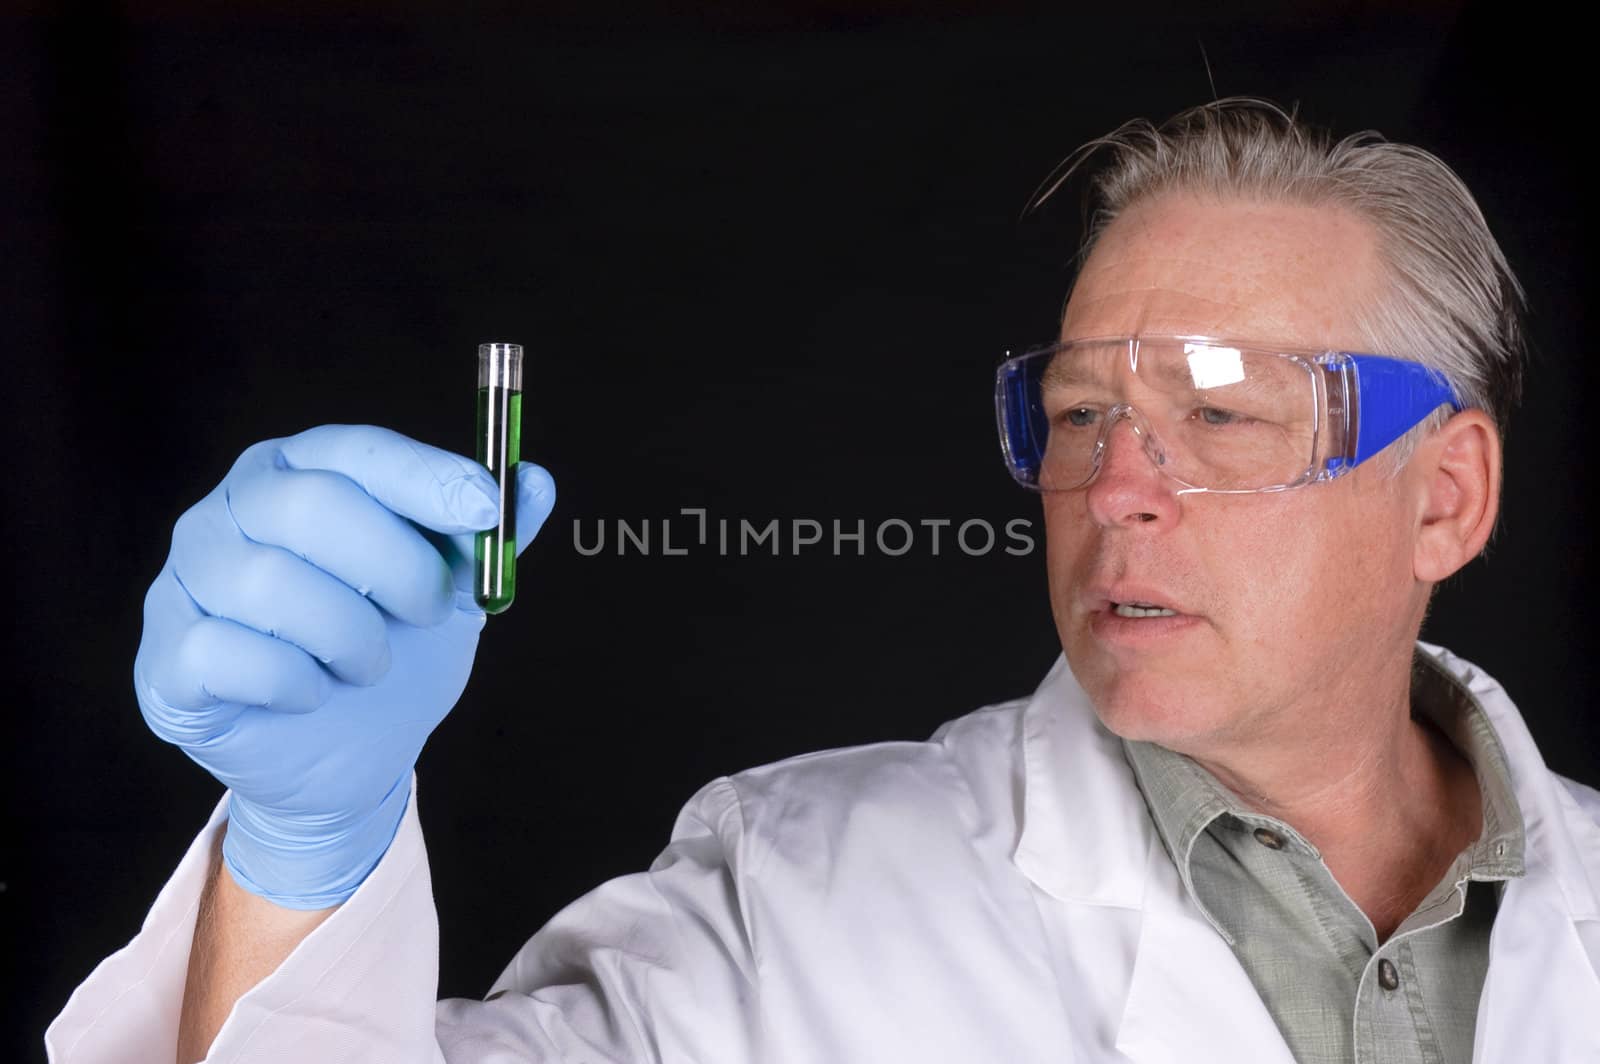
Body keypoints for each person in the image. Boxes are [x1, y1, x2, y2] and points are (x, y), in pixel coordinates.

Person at [46, 99, 1600, 1063]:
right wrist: (302, 849)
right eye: (1077, 416)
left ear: (1445, 497)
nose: (1119, 490)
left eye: (1221, 416)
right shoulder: (798, 900)